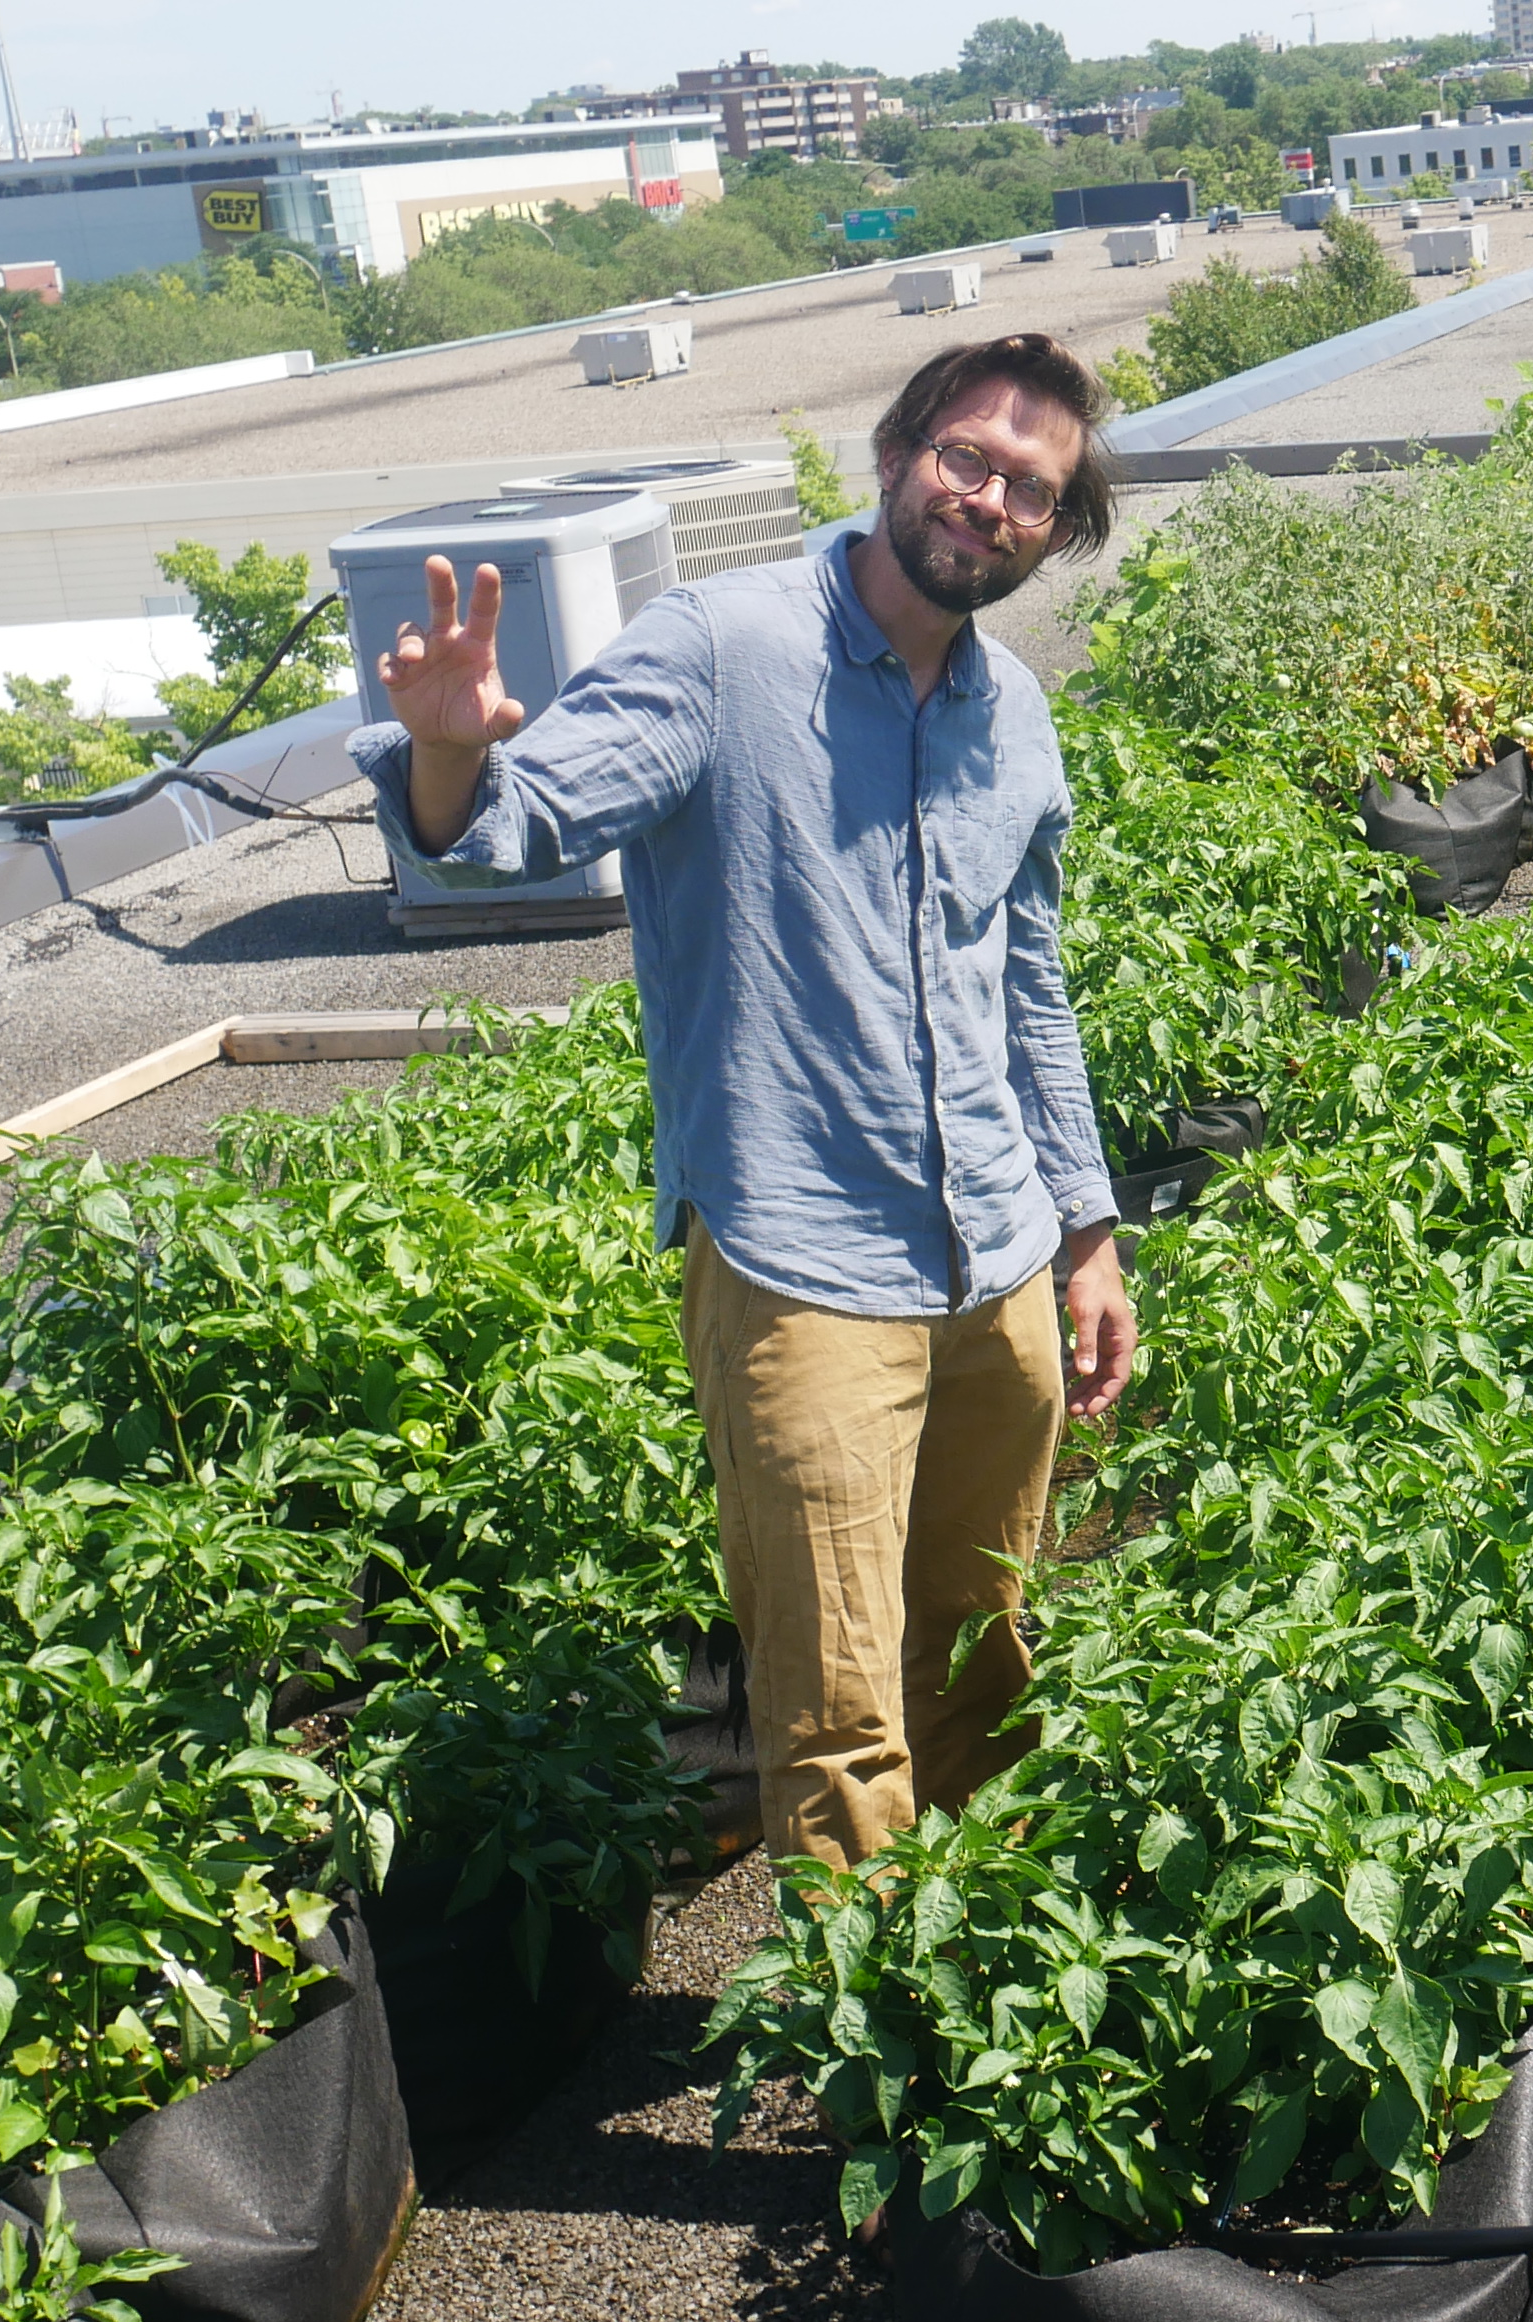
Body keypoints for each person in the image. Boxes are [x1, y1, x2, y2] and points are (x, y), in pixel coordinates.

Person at [356, 331, 1142, 1870]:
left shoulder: (1013, 713)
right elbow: (515, 824)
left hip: (995, 1260)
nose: (988, 501)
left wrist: (1087, 1229)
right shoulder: (725, 647)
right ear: (899, 452)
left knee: (986, 1659)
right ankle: (873, 2011)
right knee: (838, 1716)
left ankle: (988, 1970)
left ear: (1054, 529)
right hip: (804, 1269)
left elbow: (1027, 989)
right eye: (968, 459)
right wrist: (449, 756)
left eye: (1030, 490)